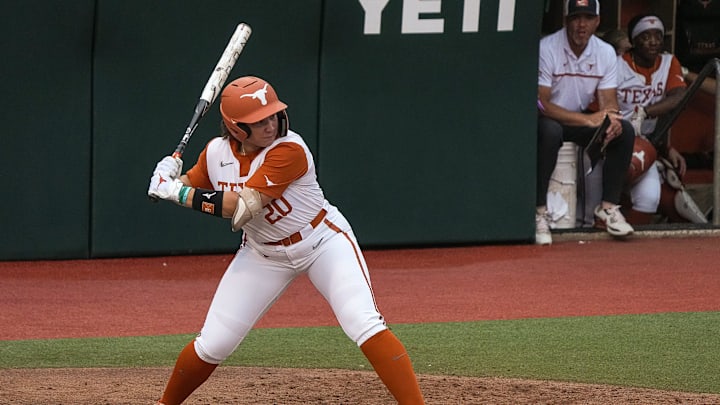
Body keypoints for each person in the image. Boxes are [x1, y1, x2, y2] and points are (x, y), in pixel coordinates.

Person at [147, 76, 425, 404]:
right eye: (259, 121)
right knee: (214, 343)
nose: (270, 124)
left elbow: (240, 208)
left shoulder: (290, 149)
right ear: (236, 129)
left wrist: (175, 191)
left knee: (362, 322)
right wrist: (166, 178)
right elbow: (190, 187)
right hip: (262, 254)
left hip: (322, 242)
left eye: (273, 114)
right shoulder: (215, 154)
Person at [535, 0, 635, 245]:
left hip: (580, 121)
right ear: (566, 20)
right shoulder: (547, 47)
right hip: (549, 118)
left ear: (597, 21)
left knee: (624, 131)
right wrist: (588, 119)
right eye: (576, 17)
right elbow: (542, 104)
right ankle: (539, 212)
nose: (582, 24)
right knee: (549, 131)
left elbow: (608, 102)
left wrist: (612, 119)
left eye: (588, 18)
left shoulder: (604, 52)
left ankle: (608, 208)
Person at [614, 14, 708, 224]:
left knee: (650, 197)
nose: (653, 41)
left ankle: (629, 252)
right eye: (645, 36)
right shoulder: (617, 65)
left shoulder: (668, 62)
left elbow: (678, 96)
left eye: (658, 36)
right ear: (634, 40)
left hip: (646, 141)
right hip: (615, 138)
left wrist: (647, 115)